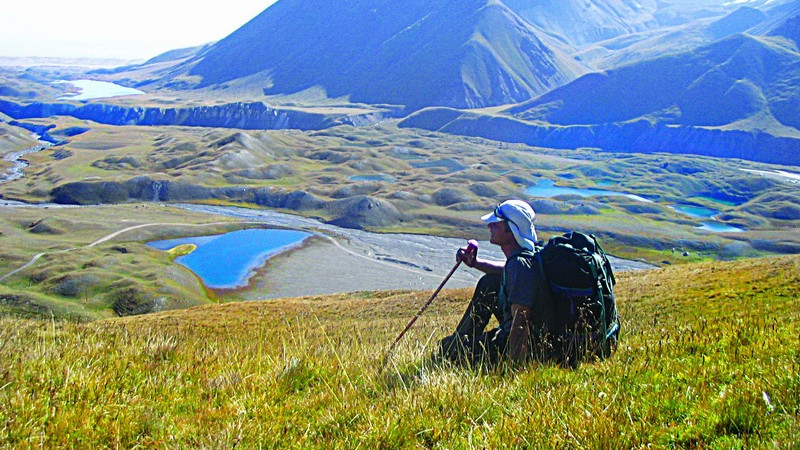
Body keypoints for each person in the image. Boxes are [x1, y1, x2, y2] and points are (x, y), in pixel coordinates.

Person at [438, 199, 553, 365]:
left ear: (510, 230)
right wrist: (475, 263)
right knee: (490, 282)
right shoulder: (529, 257)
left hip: (527, 347)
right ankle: (460, 341)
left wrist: (514, 368)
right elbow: (507, 271)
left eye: (495, 224)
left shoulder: (520, 265)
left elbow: (521, 321)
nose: (489, 227)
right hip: (535, 340)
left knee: (448, 351)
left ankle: (457, 346)